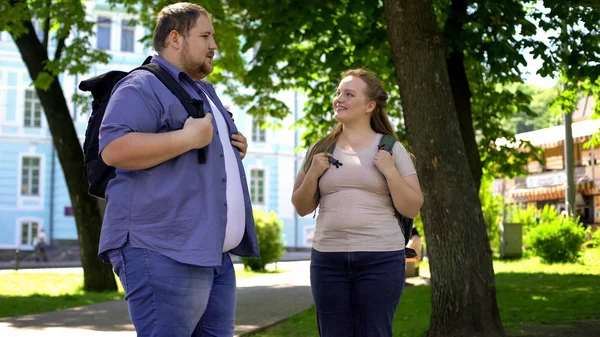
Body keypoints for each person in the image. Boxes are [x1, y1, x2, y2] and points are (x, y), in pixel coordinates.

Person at [98, 3, 259, 336]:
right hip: (163, 250)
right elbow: (115, 149)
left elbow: (197, 148)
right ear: (175, 38)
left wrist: (229, 149)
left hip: (211, 253)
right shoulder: (141, 85)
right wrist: (187, 138)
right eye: (205, 36)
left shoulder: (200, 90)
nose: (214, 45)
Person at [291, 69, 423, 337]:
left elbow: (412, 206)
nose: (339, 98)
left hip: (381, 259)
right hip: (328, 260)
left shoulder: (391, 148)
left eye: (349, 94)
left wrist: (390, 172)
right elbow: (302, 206)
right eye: (338, 92)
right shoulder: (320, 149)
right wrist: (313, 174)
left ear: (369, 106)